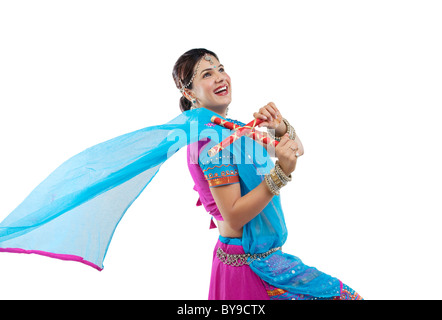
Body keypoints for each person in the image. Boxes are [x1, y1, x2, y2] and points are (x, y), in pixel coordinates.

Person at [172, 48, 363, 300]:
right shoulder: (209, 141)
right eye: (207, 74)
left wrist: (280, 126)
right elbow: (234, 215)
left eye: (220, 69)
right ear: (188, 93)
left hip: (270, 261)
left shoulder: (234, 129)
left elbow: (296, 150)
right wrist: (280, 173)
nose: (220, 77)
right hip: (246, 268)